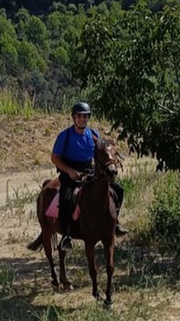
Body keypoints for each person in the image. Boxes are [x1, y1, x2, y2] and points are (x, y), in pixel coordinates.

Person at [51, 102, 127, 250]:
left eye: (85, 116)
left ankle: (115, 223)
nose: (82, 119)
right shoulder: (65, 136)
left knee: (118, 190)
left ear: (88, 118)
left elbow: (101, 152)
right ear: (74, 118)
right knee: (66, 197)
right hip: (69, 172)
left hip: (89, 170)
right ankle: (66, 235)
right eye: (79, 116)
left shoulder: (93, 134)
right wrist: (70, 171)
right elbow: (54, 158)